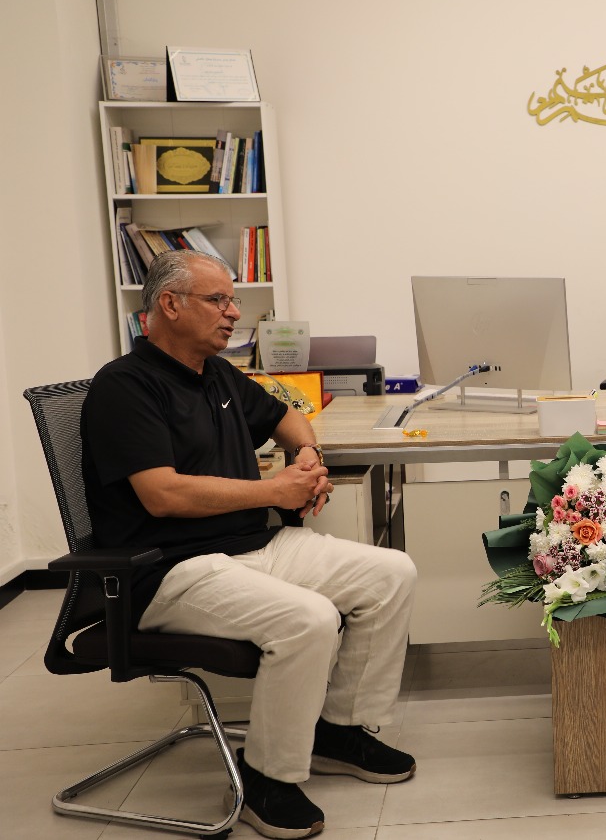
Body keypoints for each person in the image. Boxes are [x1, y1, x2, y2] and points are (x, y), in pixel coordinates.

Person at [81, 250, 418, 839]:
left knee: (391, 573)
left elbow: (289, 417)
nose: (234, 313)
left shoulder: (216, 372)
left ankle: (339, 732)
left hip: (248, 544)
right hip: (168, 567)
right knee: (310, 618)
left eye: (232, 300)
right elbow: (162, 495)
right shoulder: (124, 387)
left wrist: (306, 457)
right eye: (219, 300)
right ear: (170, 305)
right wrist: (274, 490)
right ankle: (267, 778)